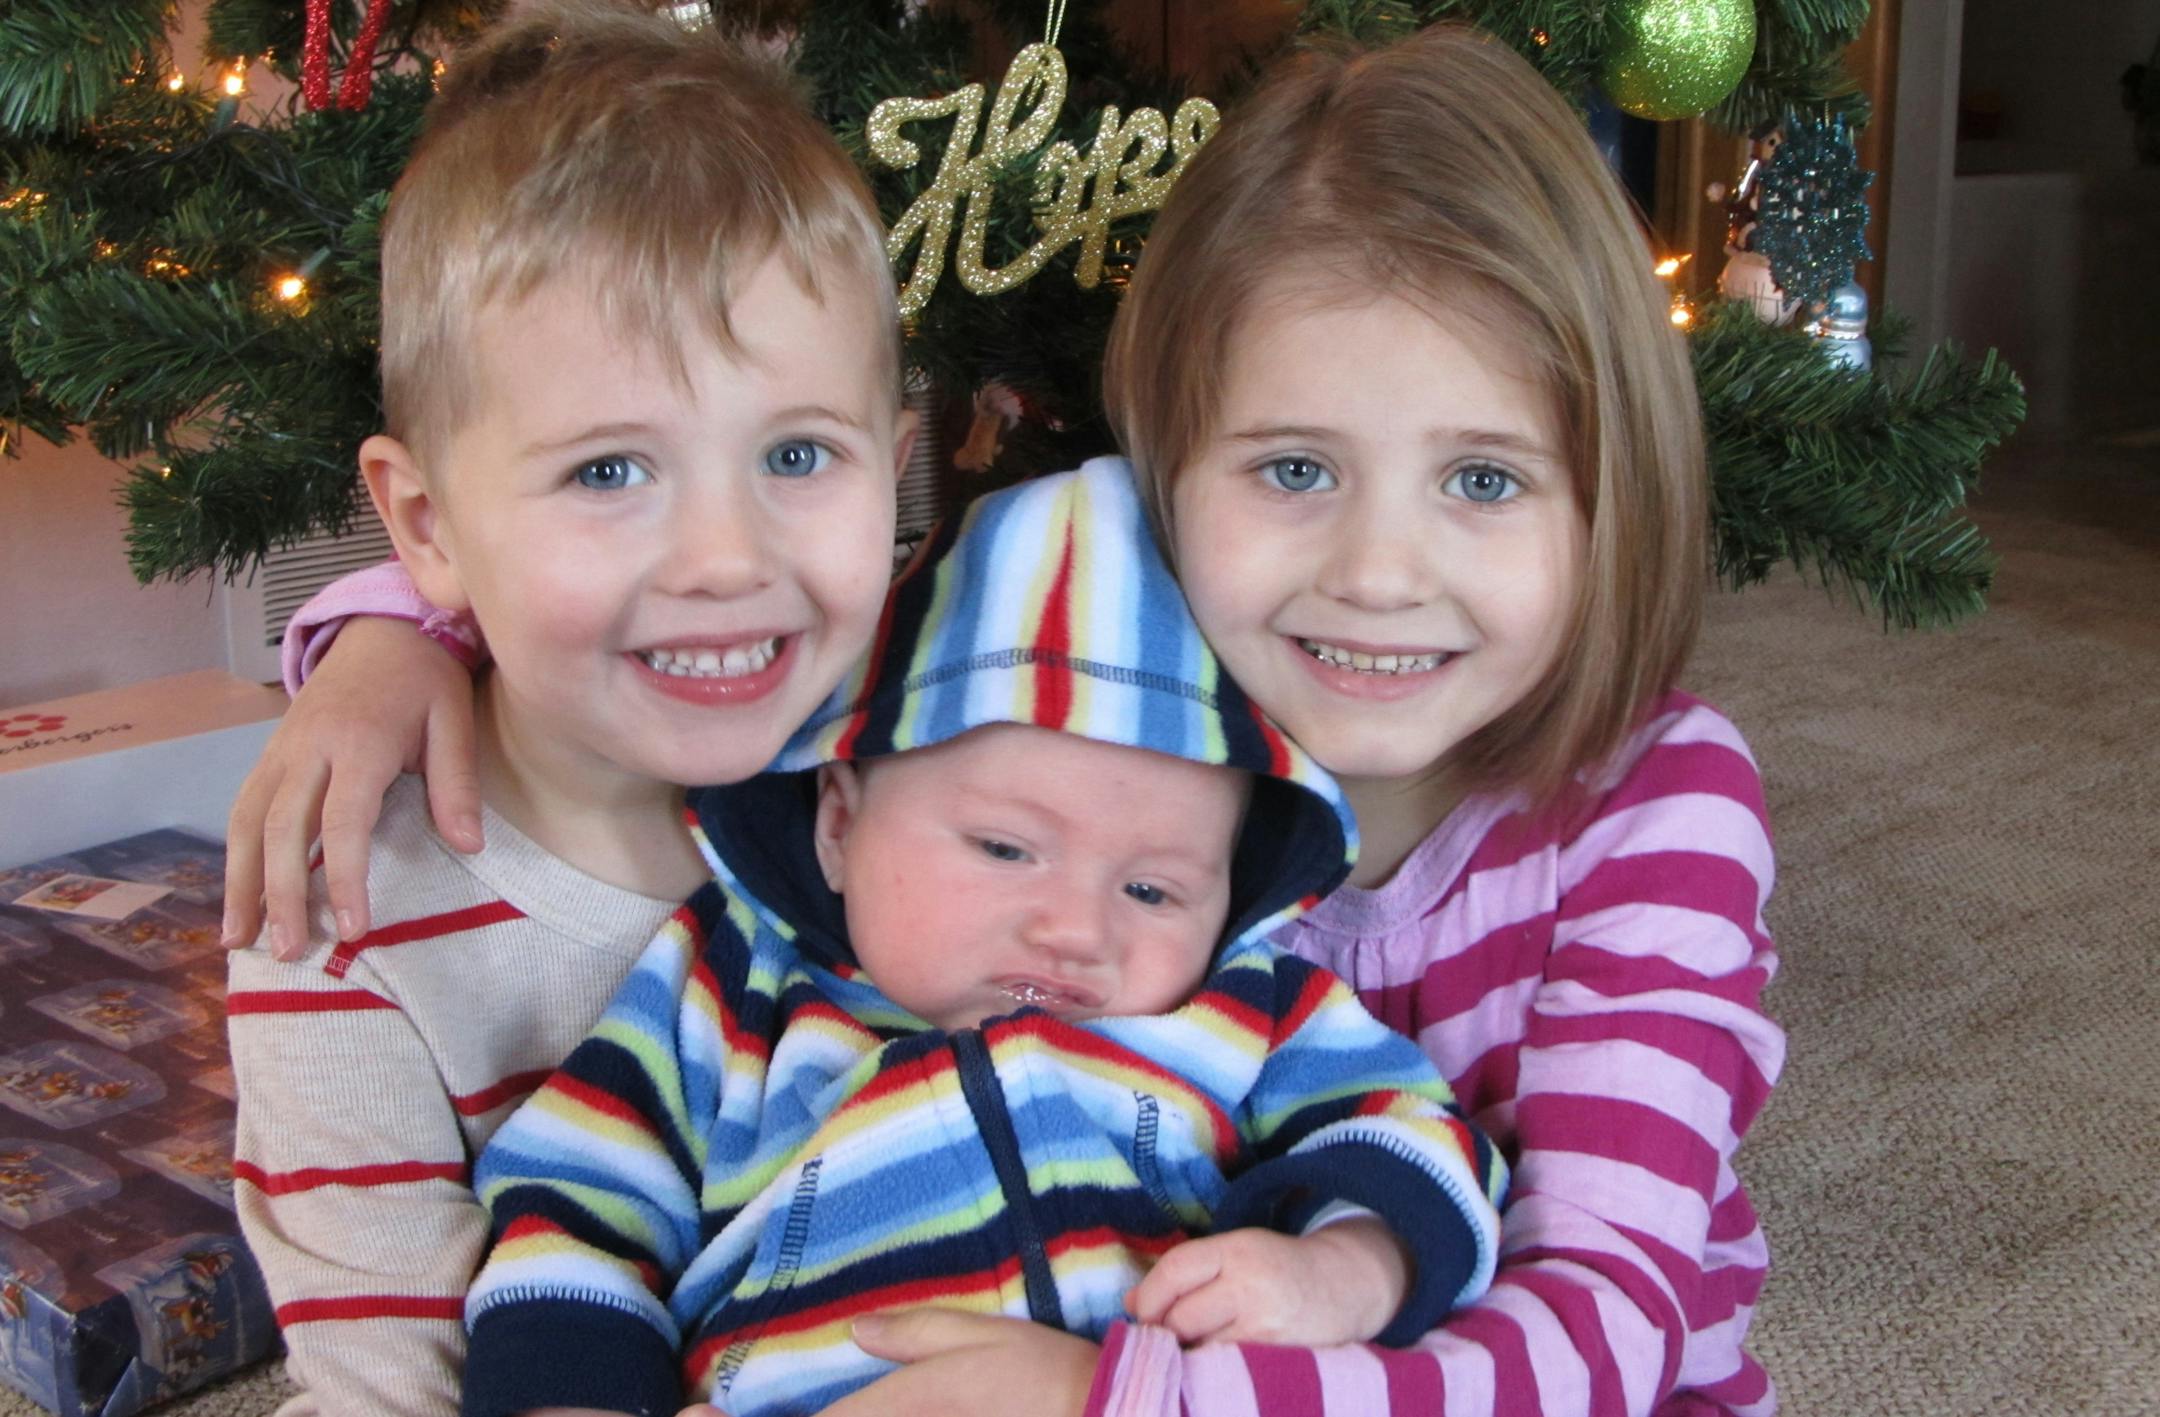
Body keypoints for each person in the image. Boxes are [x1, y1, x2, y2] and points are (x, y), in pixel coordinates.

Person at [235, 21, 1784, 1417]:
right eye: (1295, 471)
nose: (1378, 578)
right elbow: (568, 1212)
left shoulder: (1594, 791)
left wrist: (1151, 1380)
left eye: (1487, 478)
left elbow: (1588, 1314)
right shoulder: (1075, 688)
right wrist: (385, 640)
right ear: (1166, 480)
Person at [457, 460, 1506, 1417]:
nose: (1073, 928)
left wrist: (1345, 1267)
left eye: (1153, 888)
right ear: (839, 821)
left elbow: (1413, 1127)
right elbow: (577, 1209)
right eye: (1005, 849)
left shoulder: (1247, 1007)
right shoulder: (734, 989)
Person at [224, 4, 916, 1414]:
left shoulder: (938, 744)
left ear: (897, 468)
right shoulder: (350, 920)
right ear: (425, 524)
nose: (727, 560)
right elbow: (390, 1386)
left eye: (798, 452)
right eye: (609, 472)